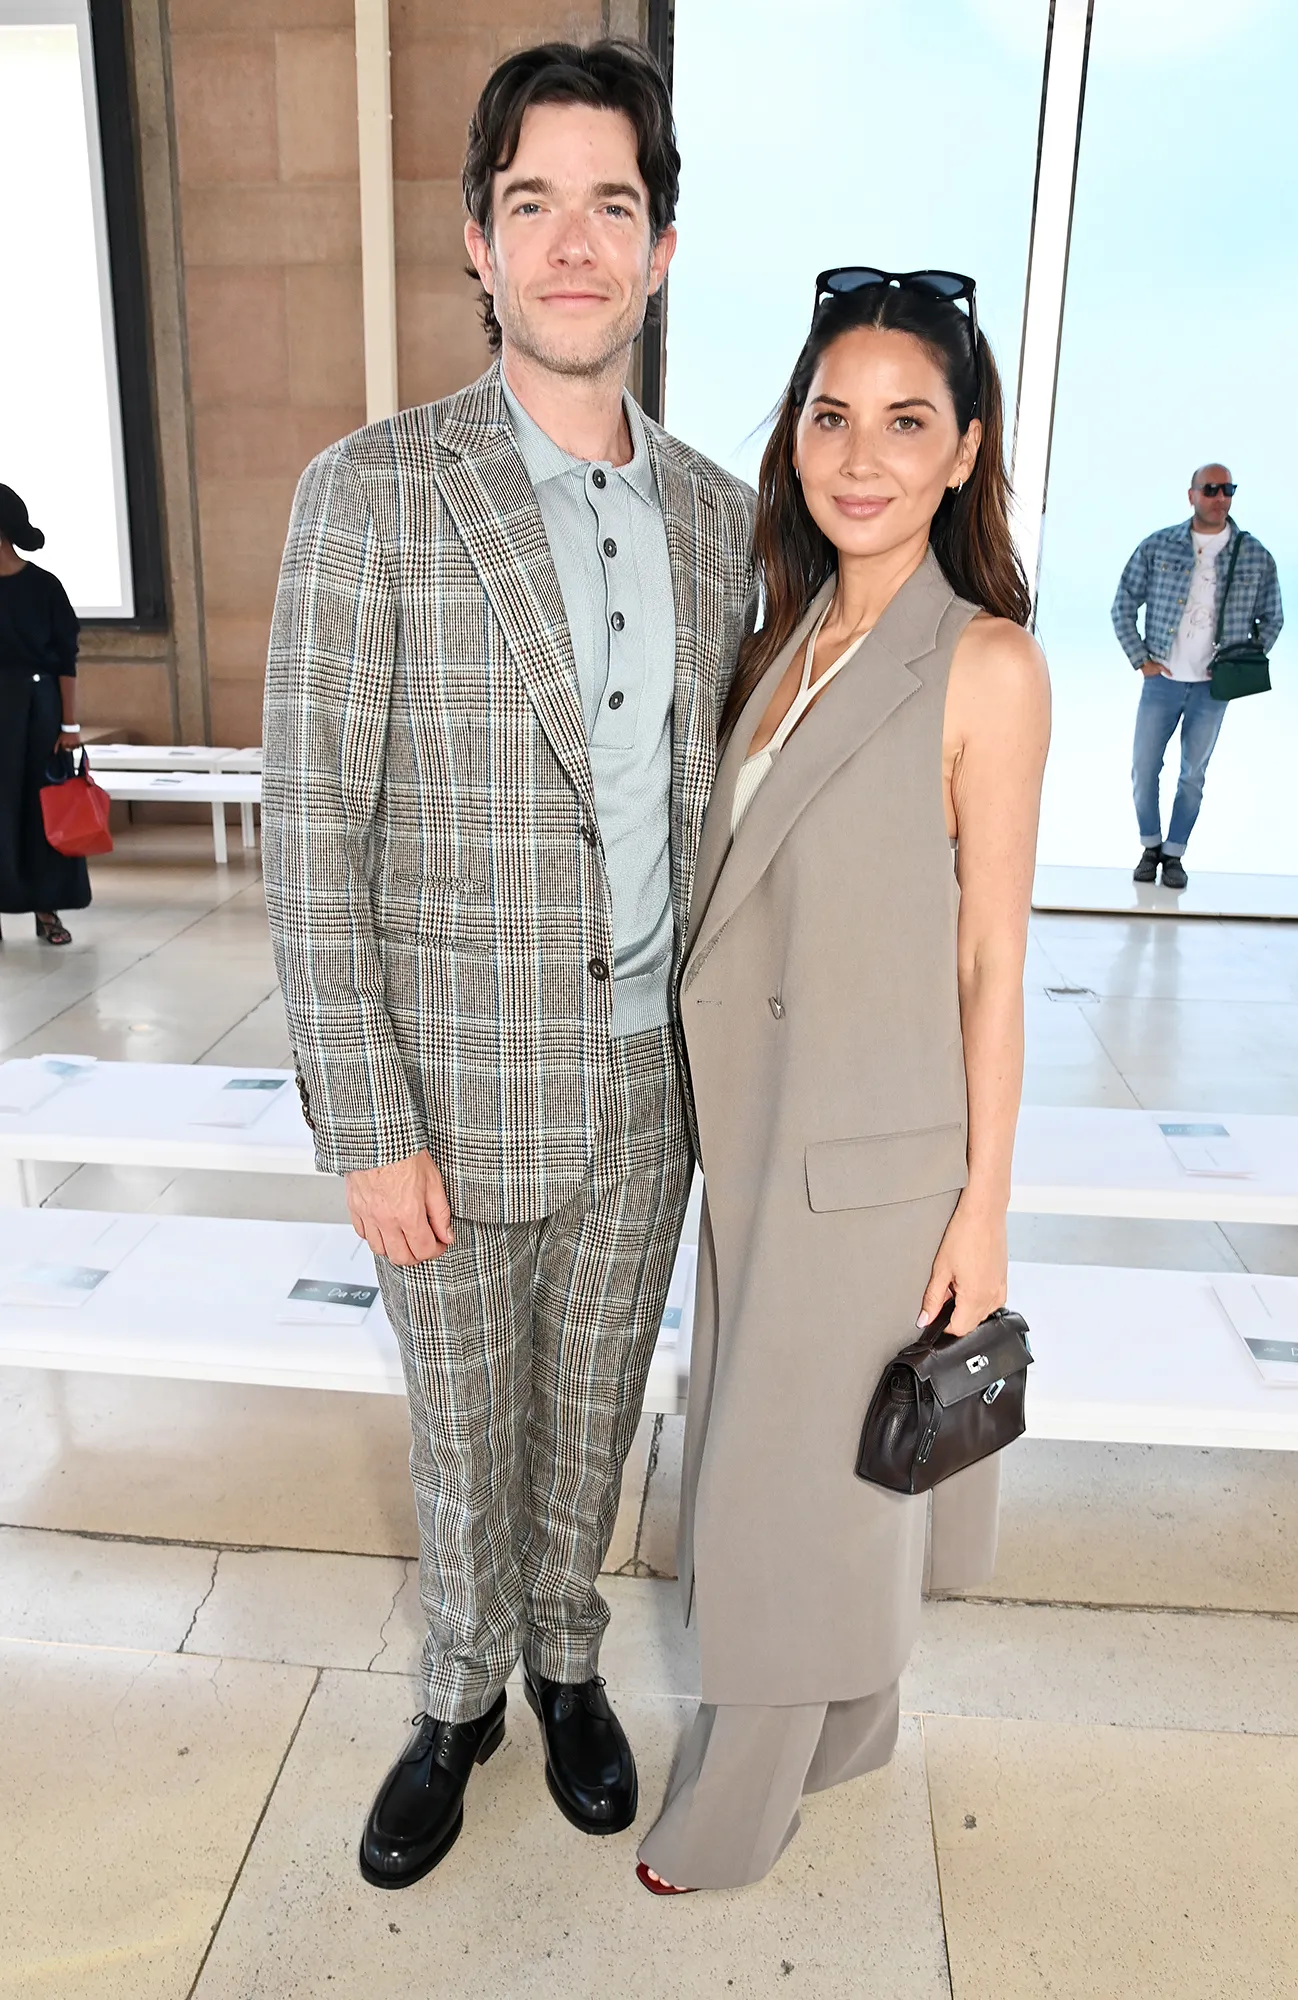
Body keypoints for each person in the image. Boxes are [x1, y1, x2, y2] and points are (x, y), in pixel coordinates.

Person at [262, 40, 755, 1891]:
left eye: (609, 206)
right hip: (448, 1087)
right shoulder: (372, 492)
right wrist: (364, 1122)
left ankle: (564, 1660)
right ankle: (456, 1697)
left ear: (660, 249)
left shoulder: (718, 518)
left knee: (595, 1405)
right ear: (476, 240)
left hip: (650, 1081)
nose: (570, 243)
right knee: (463, 1424)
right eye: (530, 203)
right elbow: (313, 829)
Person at [634, 269, 1050, 1895]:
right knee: (824, 1463)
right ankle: (855, 1722)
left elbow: (992, 959)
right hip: (755, 1138)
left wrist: (983, 1213)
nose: (859, 455)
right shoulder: (786, 636)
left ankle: (737, 1802)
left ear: (963, 452)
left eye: (904, 421)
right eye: (829, 415)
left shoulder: (984, 664)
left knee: (780, 1488)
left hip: (870, 1164)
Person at [1112, 466, 1283, 890]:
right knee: (1144, 768)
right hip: (1162, 681)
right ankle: (1150, 846)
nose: (1220, 497)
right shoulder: (1159, 545)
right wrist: (1141, 659)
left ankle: (1174, 854)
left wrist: (1240, 663)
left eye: (1228, 489)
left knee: (1193, 775)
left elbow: (1273, 617)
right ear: (1192, 495)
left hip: (1213, 687)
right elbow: (1123, 604)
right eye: (1211, 489)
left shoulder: (1254, 555)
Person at [0, 483, 89, 947]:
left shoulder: (44, 586)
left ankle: (46, 910)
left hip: (37, 711)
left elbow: (65, 660)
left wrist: (69, 725)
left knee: (42, 807)